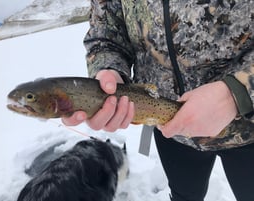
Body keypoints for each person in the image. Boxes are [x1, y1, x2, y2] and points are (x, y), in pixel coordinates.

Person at [62, 1, 254, 200]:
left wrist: (238, 92)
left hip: (249, 128)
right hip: (168, 126)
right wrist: (109, 69)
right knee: (184, 195)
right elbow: (107, 31)